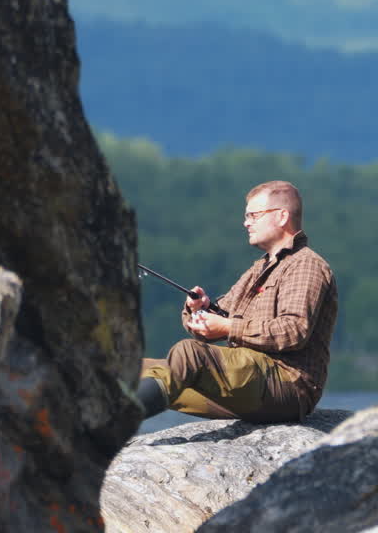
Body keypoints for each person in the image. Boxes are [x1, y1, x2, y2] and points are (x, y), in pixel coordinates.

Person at [137, 180, 338, 423]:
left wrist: (228, 327)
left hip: (287, 387)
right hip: (247, 383)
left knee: (188, 353)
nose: (246, 223)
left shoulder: (306, 265)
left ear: (282, 216)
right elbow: (220, 317)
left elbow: (294, 331)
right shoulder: (257, 270)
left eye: (254, 215)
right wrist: (199, 310)